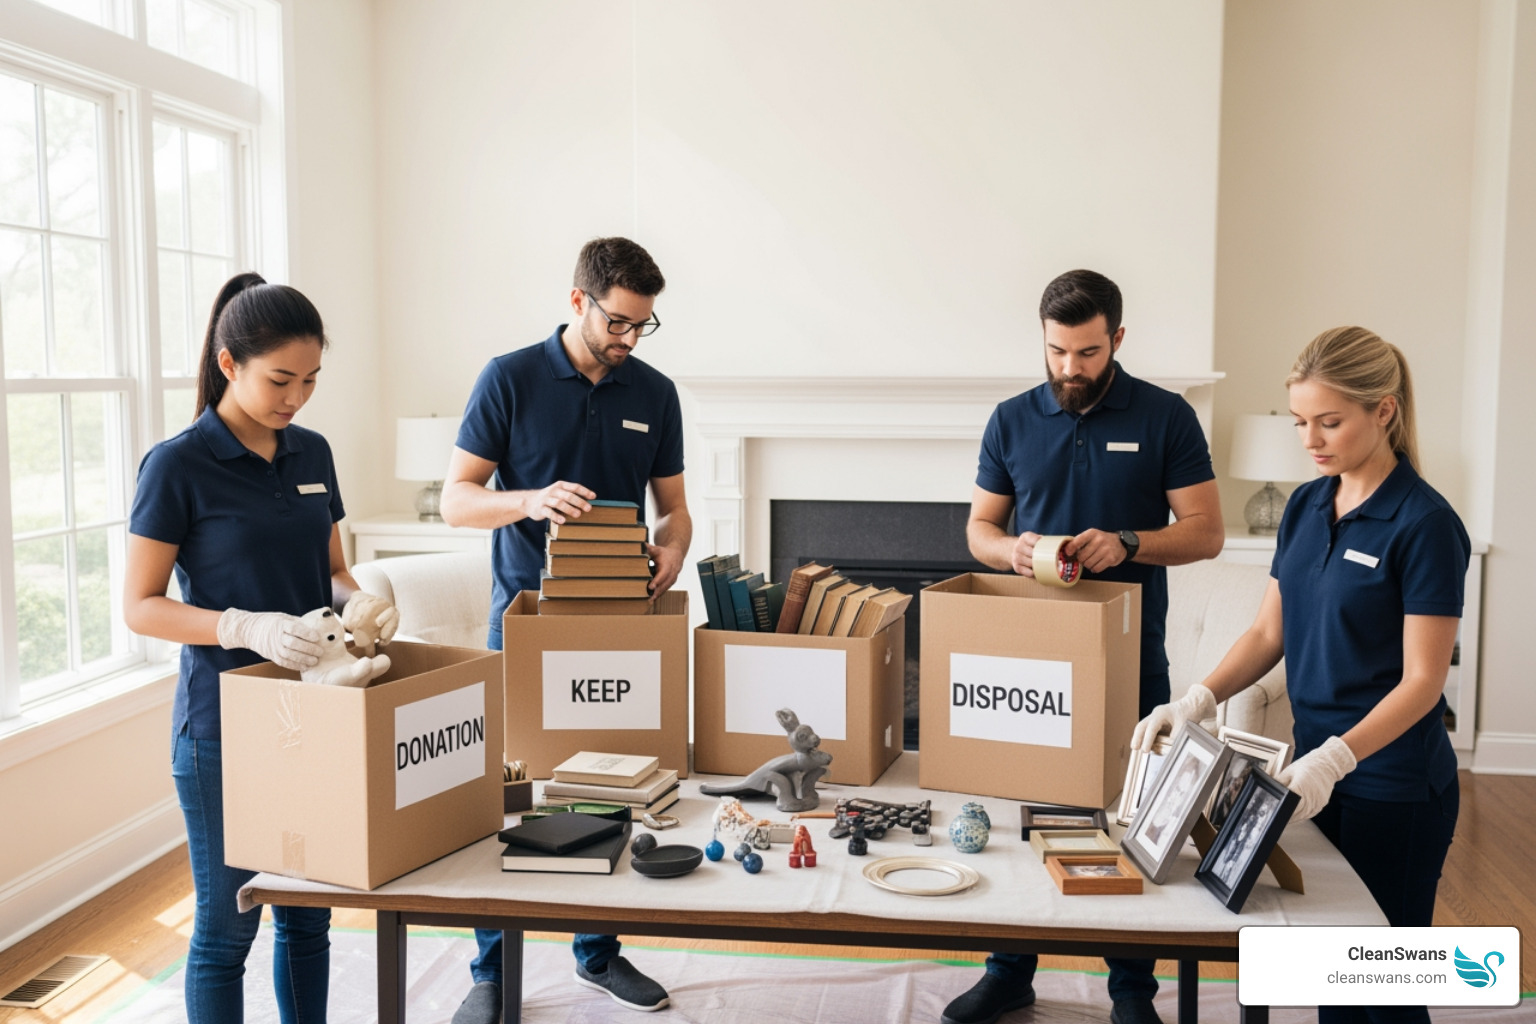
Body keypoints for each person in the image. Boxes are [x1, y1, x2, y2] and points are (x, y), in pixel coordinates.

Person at [1133, 326, 1468, 1024]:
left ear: (1386, 410)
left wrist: (1336, 760)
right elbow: (1266, 633)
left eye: (1329, 422)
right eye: (1300, 423)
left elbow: (1422, 682)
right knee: (1330, 979)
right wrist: (1196, 700)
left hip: (1391, 785)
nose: (1311, 439)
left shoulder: (1424, 524)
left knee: (1383, 993)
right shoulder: (1309, 507)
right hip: (1308, 779)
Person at [944, 269, 1224, 1024]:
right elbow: (978, 529)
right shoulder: (1010, 419)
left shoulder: (1167, 416)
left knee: (1123, 819)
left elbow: (1206, 531)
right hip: (1031, 655)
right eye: (1058, 351)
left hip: (1131, 654)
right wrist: (1010, 551)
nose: (1071, 369)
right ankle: (1010, 971)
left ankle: (1133, 992)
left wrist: (1130, 540)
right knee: (1024, 814)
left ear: (1118, 341)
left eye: (1088, 353)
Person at [124, 273, 399, 1024]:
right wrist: (242, 626)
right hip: (224, 729)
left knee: (309, 914)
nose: (296, 397)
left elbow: (333, 572)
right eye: (281, 379)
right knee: (226, 929)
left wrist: (361, 599)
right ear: (228, 364)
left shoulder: (312, 452)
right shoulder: (176, 465)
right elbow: (140, 607)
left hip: (317, 718)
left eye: (311, 380)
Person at [440, 237, 691, 1022]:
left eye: (642, 327)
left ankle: (598, 954)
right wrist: (527, 500)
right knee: (510, 798)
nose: (627, 341)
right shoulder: (508, 378)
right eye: (617, 323)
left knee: (606, 792)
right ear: (578, 301)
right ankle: (491, 969)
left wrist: (672, 552)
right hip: (524, 622)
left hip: (621, 625)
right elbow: (457, 499)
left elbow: (675, 509)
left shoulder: (653, 391)